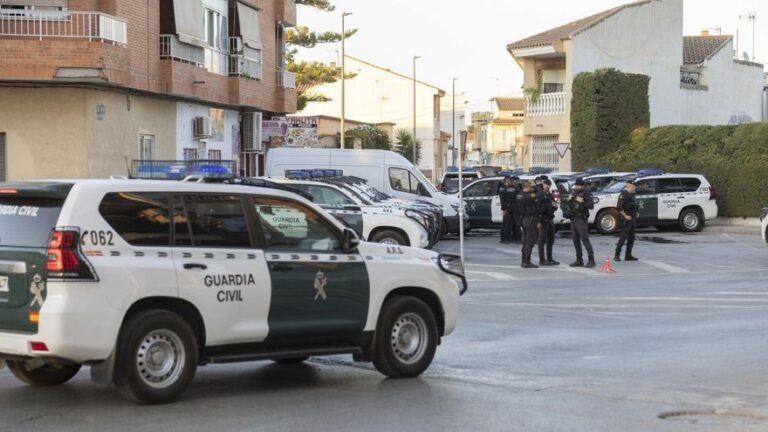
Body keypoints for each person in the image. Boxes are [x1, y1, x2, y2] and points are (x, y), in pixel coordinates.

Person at [568, 179, 596, 268]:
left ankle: (591, 259)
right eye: (576, 185)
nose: (576, 187)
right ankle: (579, 260)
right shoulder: (574, 192)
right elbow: (571, 206)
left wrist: (583, 201)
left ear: (582, 186)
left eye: (578, 186)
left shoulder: (587, 193)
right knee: (575, 240)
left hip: (581, 220)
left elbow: (591, 206)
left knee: (584, 239)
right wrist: (569, 200)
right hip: (574, 219)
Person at [615, 180, 639, 262]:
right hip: (626, 220)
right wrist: (625, 215)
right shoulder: (623, 194)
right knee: (623, 237)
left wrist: (636, 213)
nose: (635, 187)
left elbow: (633, 206)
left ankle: (628, 255)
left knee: (632, 238)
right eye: (634, 186)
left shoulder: (632, 195)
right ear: (629, 185)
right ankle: (617, 255)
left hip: (632, 219)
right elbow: (619, 207)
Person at [537, 179, 560, 266]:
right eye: (545, 185)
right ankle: (542, 260)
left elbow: (554, 206)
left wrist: (554, 206)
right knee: (542, 240)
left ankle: (550, 258)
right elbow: (538, 208)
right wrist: (539, 220)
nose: (547, 186)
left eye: (548, 185)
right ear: (543, 185)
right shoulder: (540, 194)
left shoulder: (550, 195)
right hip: (543, 219)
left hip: (550, 218)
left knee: (551, 239)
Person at [519, 181, 539, 268]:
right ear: (528, 187)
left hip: (523, 219)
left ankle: (524, 260)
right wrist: (536, 187)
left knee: (525, 241)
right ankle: (527, 261)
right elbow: (539, 194)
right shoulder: (530, 195)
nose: (532, 188)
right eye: (531, 187)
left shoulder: (519, 194)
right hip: (530, 219)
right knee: (530, 241)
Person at [498, 176, 514, 244]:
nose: (509, 181)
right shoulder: (502, 188)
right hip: (506, 208)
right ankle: (503, 238)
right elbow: (502, 199)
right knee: (505, 224)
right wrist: (504, 208)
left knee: (508, 224)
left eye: (509, 180)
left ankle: (508, 237)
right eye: (508, 180)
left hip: (510, 207)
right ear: (505, 181)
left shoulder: (509, 187)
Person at [510, 176, 522, 243]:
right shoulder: (518, 187)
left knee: (517, 223)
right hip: (516, 207)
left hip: (516, 207)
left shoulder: (516, 188)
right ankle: (516, 237)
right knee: (516, 223)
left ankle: (517, 237)